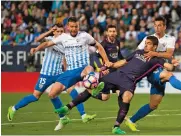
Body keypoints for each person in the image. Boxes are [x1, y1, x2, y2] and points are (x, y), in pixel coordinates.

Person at [54, 36, 181, 134]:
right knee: (94, 87)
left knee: (127, 97)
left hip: (130, 81)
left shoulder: (156, 60)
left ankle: (116, 127)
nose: (146, 45)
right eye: (146, 43)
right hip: (118, 74)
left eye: (148, 43)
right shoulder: (137, 52)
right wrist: (109, 66)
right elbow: (122, 62)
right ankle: (67, 108)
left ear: (154, 46)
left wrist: (173, 63)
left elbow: (168, 66)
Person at [7, 24, 95, 131]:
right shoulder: (50, 39)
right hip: (45, 74)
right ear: (54, 32)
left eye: (62, 31)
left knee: (71, 90)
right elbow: (38, 39)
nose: (60, 33)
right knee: (35, 96)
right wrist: (49, 32)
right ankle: (13, 108)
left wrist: (67, 70)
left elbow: (65, 58)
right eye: (58, 31)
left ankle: (83, 115)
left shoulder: (64, 42)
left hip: (58, 73)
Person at [30, 16, 112, 124]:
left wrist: (106, 61)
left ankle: (94, 86)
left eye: (76, 26)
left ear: (79, 26)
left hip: (83, 68)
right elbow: (47, 44)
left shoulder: (85, 36)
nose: (74, 29)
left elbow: (99, 46)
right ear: (68, 27)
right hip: (70, 71)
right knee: (52, 94)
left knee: (89, 68)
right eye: (72, 26)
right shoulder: (63, 37)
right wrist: (36, 48)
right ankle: (63, 118)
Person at [125, 16, 178, 132]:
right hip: (152, 69)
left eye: (160, 25)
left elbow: (169, 54)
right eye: (155, 25)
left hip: (161, 68)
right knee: (168, 75)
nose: (157, 28)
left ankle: (131, 120)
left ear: (164, 26)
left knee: (154, 104)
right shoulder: (148, 38)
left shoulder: (170, 39)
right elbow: (138, 52)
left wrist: (156, 54)